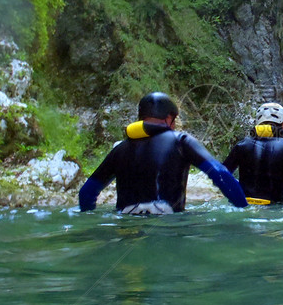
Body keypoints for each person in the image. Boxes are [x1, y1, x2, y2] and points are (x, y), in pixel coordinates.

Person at [79, 92, 248, 214]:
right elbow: (220, 174)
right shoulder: (181, 141)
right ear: (169, 118)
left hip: (126, 223)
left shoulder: (120, 149)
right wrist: (244, 210)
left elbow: (86, 193)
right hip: (168, 223)